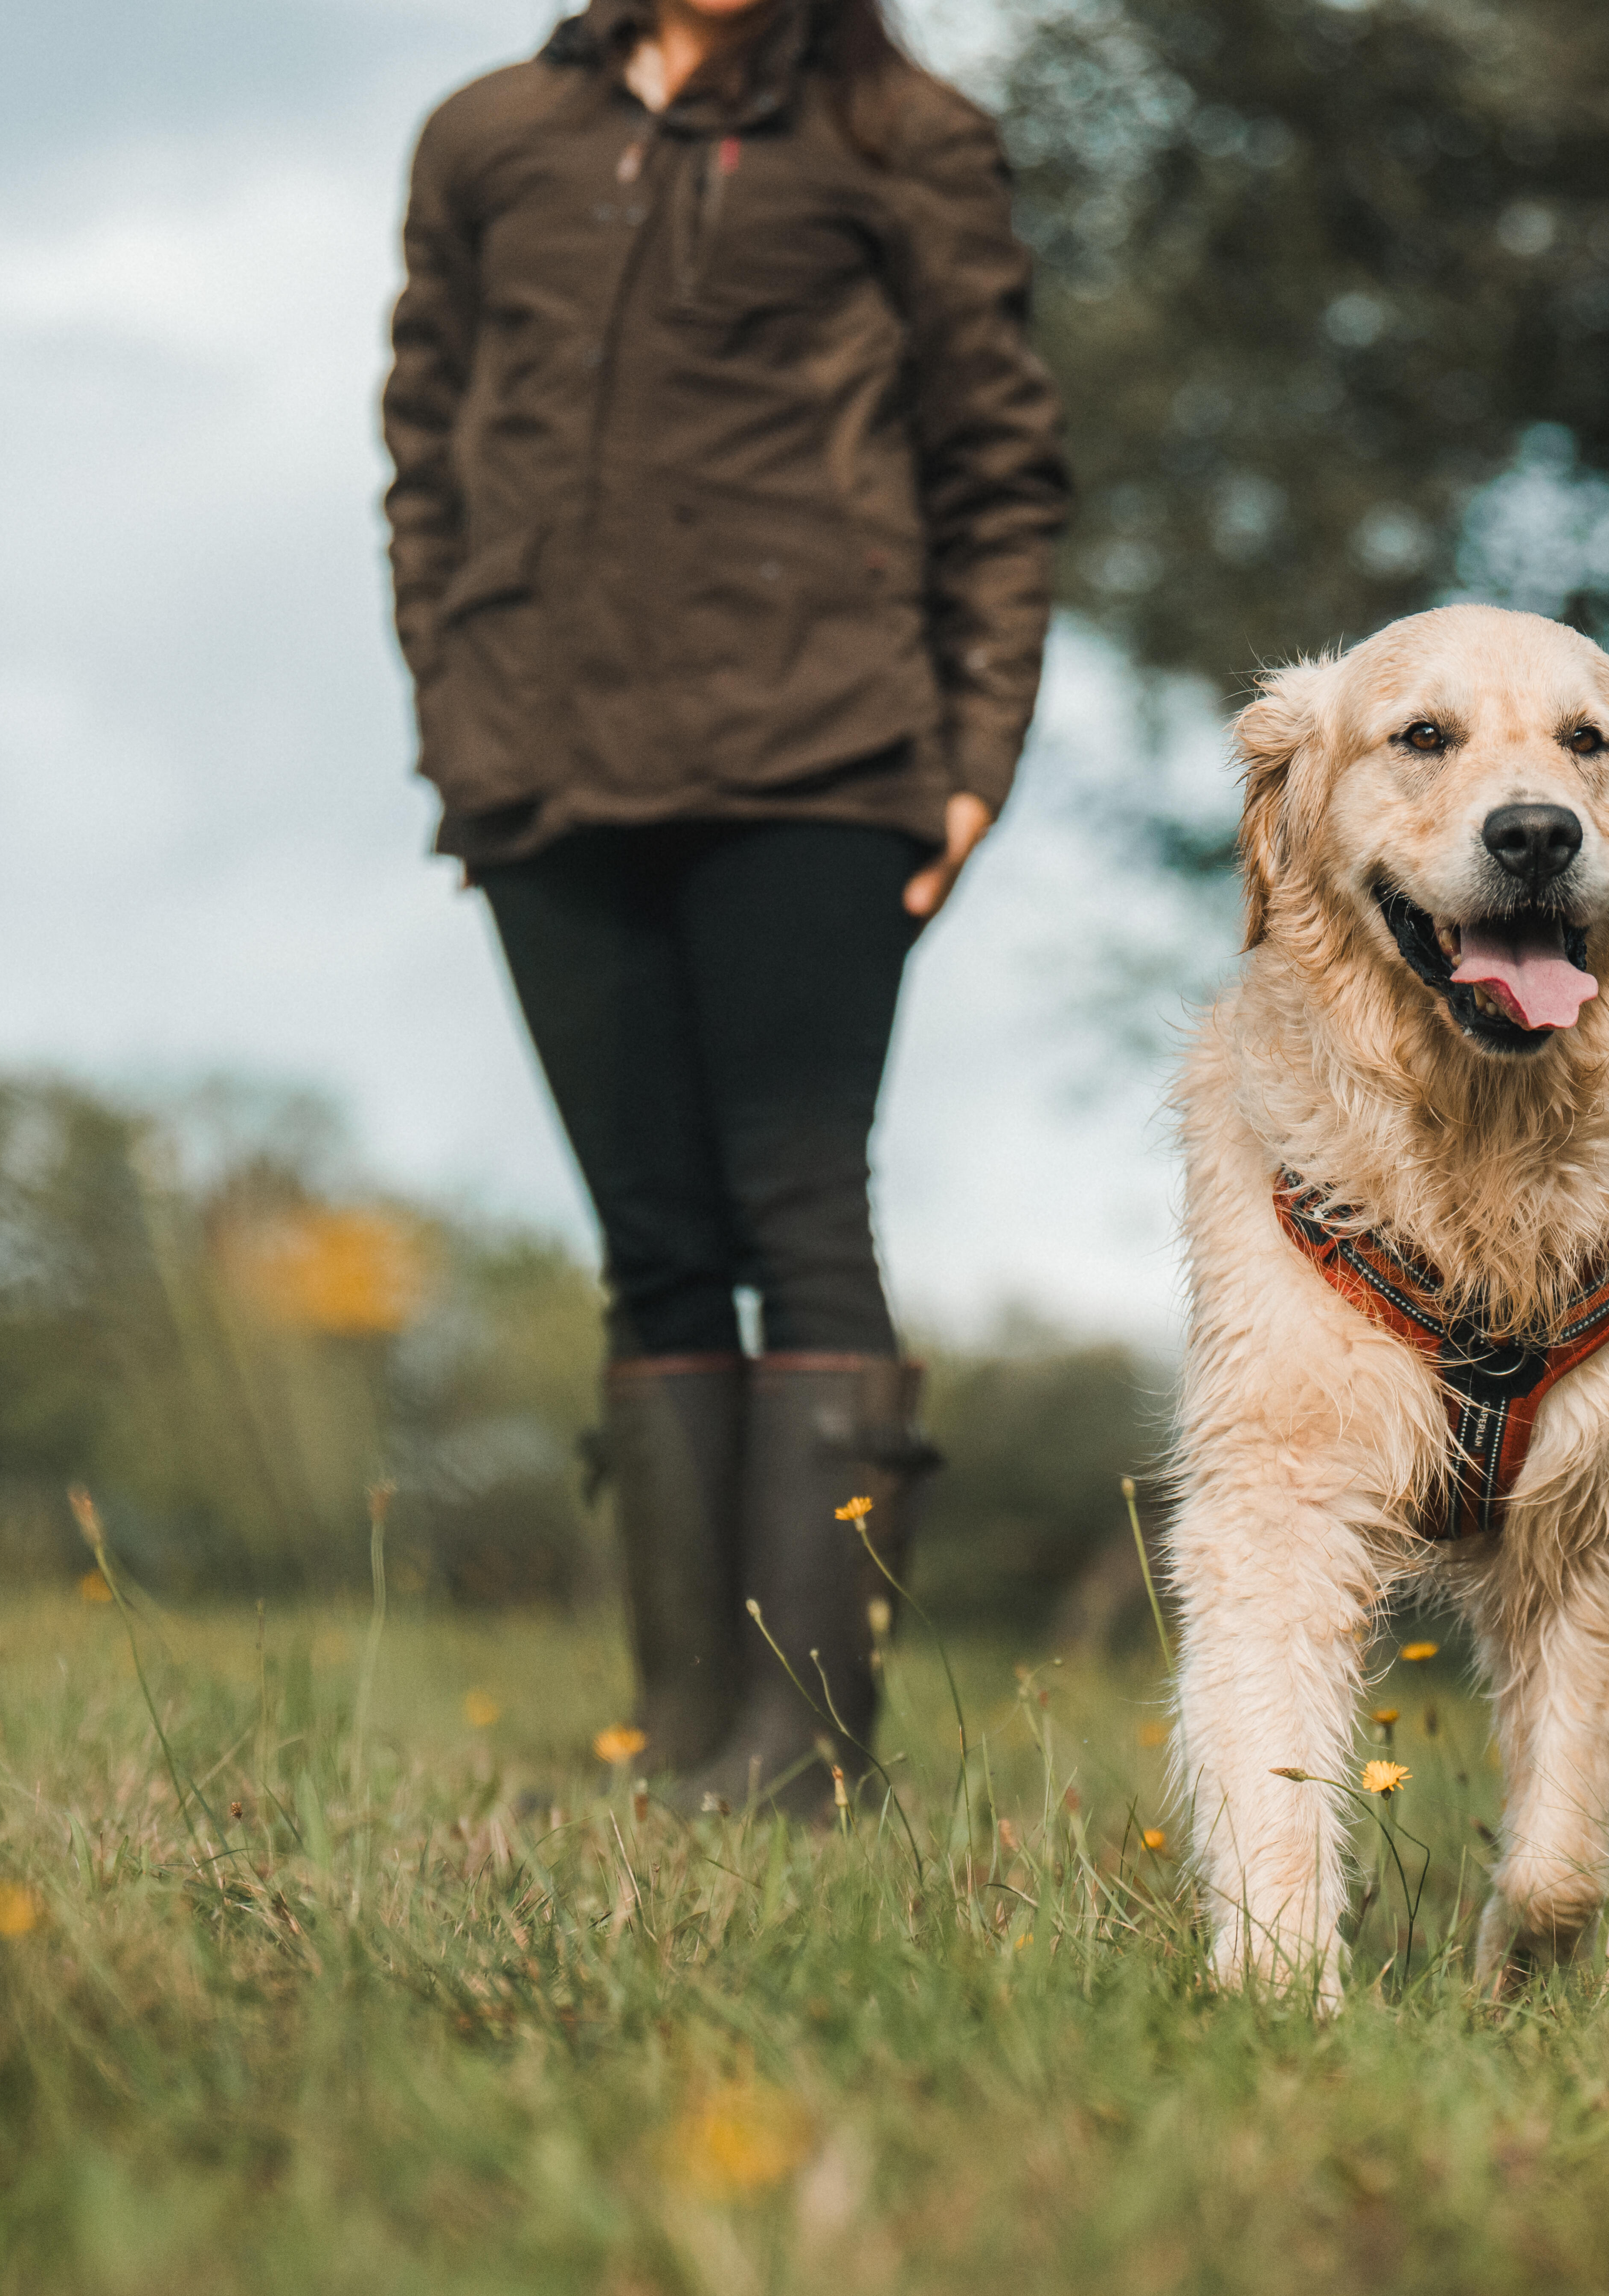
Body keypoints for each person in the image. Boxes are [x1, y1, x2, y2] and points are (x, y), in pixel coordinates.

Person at [380, 0, 1066, 1816]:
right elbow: (426, 448)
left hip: (819, 759)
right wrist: (454, 706)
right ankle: (686, 1744)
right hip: (541, 764)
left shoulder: (905, 136)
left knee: (800, 1214)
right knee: (654, 1248)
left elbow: (999, 464)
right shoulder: (487, 137)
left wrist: (975, 753)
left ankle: (805, 1758)